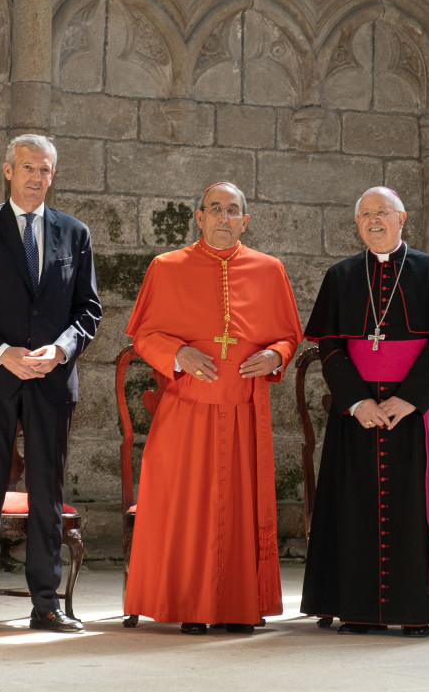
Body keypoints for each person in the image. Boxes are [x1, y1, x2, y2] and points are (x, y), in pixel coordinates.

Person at [124, 181, 303, 635]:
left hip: (244, 407)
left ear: (247, 220)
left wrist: (276, 355)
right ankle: (190, 604)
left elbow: (288, 334)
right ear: (198, 217)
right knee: (187, 507)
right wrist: (178, 353)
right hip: (186, 408)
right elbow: (143, 334)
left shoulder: (269, 269)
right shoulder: (166, 267)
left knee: (240, 507)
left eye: (233, 210)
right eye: (215, 209)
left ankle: (240, 606)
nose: (224, 217)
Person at [0, 134, 102, 635]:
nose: (37, 177)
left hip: (51, 381)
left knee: (46, 491)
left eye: (46, 170)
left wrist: (61, 350)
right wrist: (0, 353)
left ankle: (47, 604)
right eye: (28, 168)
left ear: (54, 175)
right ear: (8, 170)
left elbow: (88, 310)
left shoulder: (74, 233)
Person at [301, 186, 429, 637]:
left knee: (413, 508)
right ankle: (357, 609)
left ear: (402, 218)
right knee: (352, 506)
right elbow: (330, 345)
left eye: (383, 212)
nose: (374, 220)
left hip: (416, 411)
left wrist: (408, 399)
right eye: (366, 215)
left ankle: (417, 610)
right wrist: (357, 403)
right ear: (356, 224)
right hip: (356, 414)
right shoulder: (340, 277)